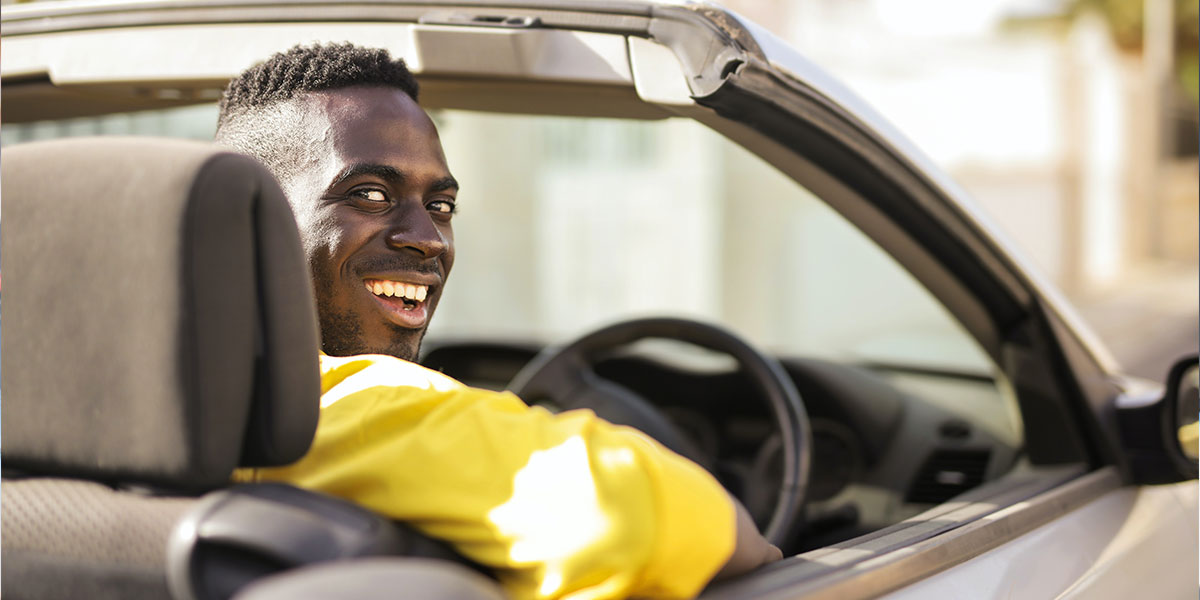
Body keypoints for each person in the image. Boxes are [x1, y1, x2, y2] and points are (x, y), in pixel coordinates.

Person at [216, 43, 780, 600]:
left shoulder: (170, 405)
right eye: (368, 194)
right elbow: (645, 521)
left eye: (441, 205)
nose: (428, 237)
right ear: (250, 224)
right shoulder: (343, 407)